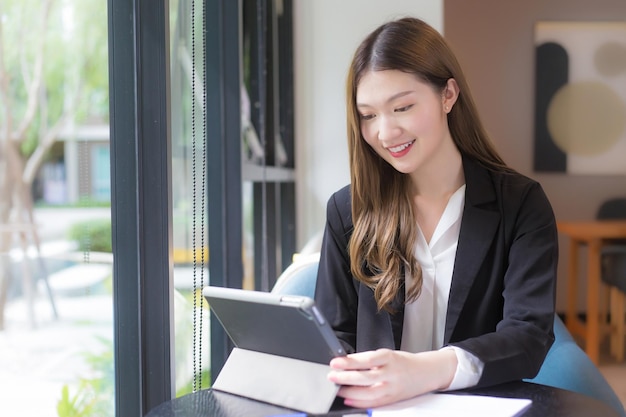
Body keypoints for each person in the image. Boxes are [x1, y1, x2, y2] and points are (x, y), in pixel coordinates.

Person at [314, 16, 558, 409]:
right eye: (368, 115)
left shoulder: (521, 204)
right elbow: (330, 336)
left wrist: (422, 371)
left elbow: (528, 337)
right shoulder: (347, 210)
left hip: (479, 406)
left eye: (403, 107)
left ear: (448, 95)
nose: (385, 132)